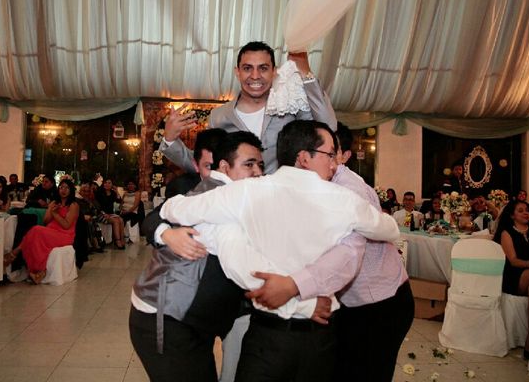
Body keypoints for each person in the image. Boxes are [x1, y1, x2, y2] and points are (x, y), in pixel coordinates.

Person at [159, 120, 400, 381]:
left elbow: (173, 208)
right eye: (330, 154)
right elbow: (390, 230)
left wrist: (167, 231)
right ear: (304, 157)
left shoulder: (246, 192)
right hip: (319, 337)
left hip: (267, 336)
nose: (335, 163)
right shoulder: (344, 201)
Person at [131, 131, 306, 382]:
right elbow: (244, 267)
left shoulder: (226, 193)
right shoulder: (222, 201)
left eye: (259, 165)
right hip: (167, 321)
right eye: (248, 165)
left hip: (188, 321)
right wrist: (303, 299)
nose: (257, 172)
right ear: (224, 166)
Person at [245, 121, 413, 381]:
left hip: (378, 305)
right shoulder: (301, 187)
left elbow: (349, 253)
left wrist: (293, 285)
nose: (334, 163)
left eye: (335, 154)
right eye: (330, 154)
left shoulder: (346, 192)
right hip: (349, 302)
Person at [159, 42, 336, 174]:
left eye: (263, 68)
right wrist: (170, 140)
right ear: (237, 72)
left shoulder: (288, 107)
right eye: (247, 68)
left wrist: (306, 73)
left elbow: (328, 127)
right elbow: (204, 165)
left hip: (281, 203)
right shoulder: (219, 117)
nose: (255, 76)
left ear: (274, 72)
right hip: (238, 207)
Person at [493, 200, 529, 358]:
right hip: (513, 276)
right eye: (520, 210)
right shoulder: (506, 233)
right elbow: (514, 261)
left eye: (527, 210)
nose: (525, 213)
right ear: (512, 215)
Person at [4, 178, 80, 284]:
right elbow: (46, 221)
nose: (63, 190)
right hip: (51, 230)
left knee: (36, 229)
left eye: (67, 188)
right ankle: (37, 272)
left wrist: (55, 214)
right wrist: (51, 210)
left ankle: (15, 253)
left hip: (64, 235)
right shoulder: (54, 202)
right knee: (34, 237)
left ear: (71, 190)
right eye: (61, 187)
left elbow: (67, 225)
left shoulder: (73, 205)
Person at [95, 178, 125, 249]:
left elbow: (119, 201)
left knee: (121, 219)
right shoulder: (99, 193)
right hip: (101, 214)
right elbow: (97, 206)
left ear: (112, 185)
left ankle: (121, 239)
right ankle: (117, 241)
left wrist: (117, 191)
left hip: (110, 214)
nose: (107, 184)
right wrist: (104, 213)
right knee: (116, 221)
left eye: (109, 183)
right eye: (105, 183)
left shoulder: (113, 193)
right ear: (103, 184)